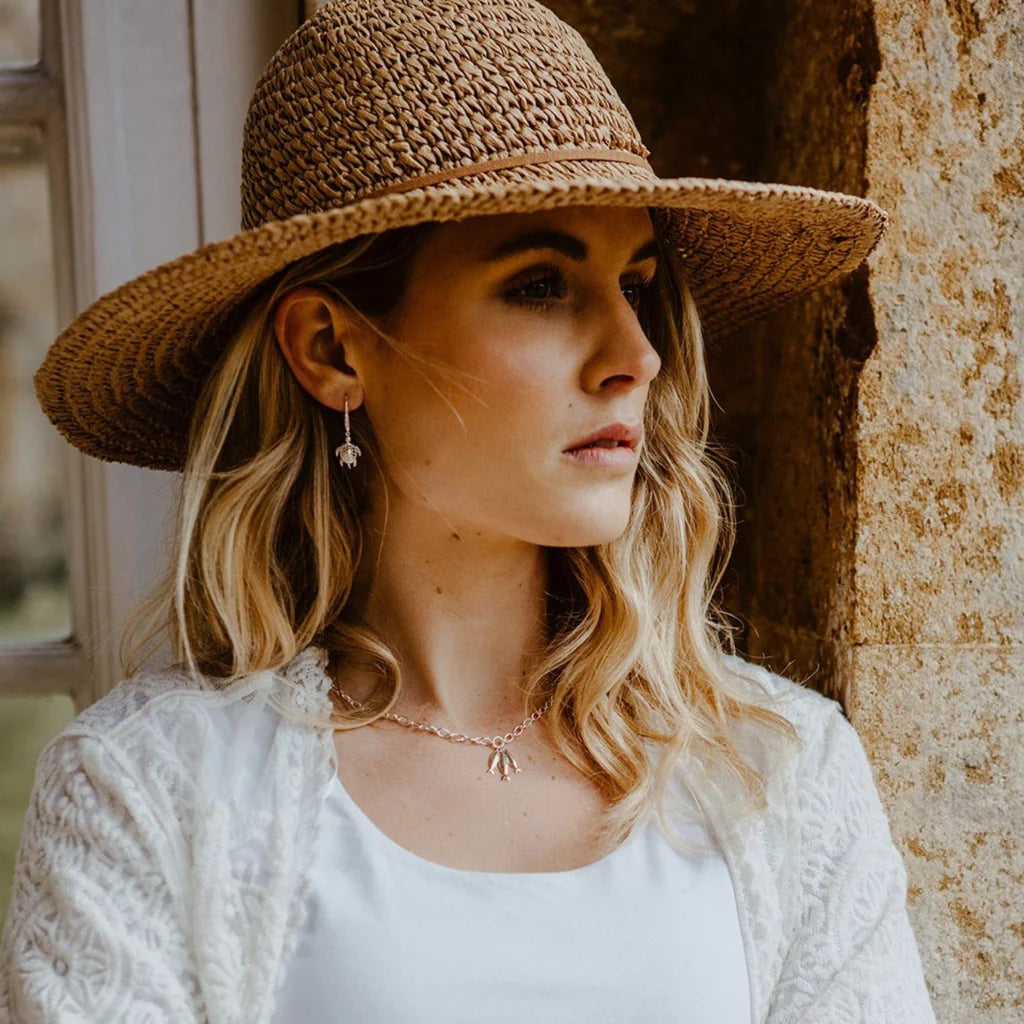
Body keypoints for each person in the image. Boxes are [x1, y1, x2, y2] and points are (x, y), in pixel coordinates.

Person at [0, 1, 935, 1021]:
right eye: (540, 284)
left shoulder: (781, 773)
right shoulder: (147, 792)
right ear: (331, 350)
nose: (637, 356)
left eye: (637, 284)